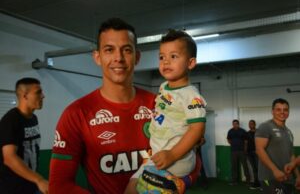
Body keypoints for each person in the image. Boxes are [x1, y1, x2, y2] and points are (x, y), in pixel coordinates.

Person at [49, 19, 200, 194]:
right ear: (97, 57)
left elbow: (192, 157)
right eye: (109, 50)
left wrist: (184, 182)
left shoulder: (161, 103)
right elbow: (59, 187)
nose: (118, 58)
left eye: (127, 50)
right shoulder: (76, 114)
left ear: (137, 57)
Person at [125, 29, 207, 194]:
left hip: (175, 160)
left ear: (190, 63)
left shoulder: (191, 96)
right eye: (162, 57)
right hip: (157, 156)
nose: (166, 62)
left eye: (173, 56)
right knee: (130, 188)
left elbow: (197, 129)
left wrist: (172, 154)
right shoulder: (163, 87)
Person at [0, 77, 48, 194]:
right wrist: (39, 179)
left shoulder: (33, 118)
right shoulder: (11, 120)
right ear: (25, 96)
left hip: (31, 186)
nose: (43, 96)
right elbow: (9, 158)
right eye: (38, 92)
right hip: (13, 189)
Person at [255, 98, 300, 193]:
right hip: (270, 177)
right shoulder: (265, 126)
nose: (282, 112)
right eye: (278, 109)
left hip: (287, 177)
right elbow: (259, 149)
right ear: (272, 111)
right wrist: (275, 170)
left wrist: (298, 176)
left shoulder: (288, 132)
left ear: (289, 112)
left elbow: (291, 155)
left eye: (285, 110)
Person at [227, 119, 250, 185]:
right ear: (232, 124)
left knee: (245, 166)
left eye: (236, 124)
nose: (235, 125)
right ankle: (234, 181)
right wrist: (232, 143)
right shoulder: (230, 131)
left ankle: (248, 181)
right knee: (234, 166)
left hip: (241, 151)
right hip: (233, 151)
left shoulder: (242, 131)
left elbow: (246, 141)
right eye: (234, 124)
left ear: (238, 124)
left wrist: (245, 149)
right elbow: (228, 139)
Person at [246, 119, 260, 189]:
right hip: (249, 153)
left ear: (254, 124)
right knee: (254, 169)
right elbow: (245, 143)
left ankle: (262, 184)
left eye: (251, 124)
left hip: (257, 153)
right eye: (249, 124)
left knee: (259, 168)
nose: (250, 125)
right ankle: (256, 183)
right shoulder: (247, 133)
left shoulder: (259, 132)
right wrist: (245, 151)